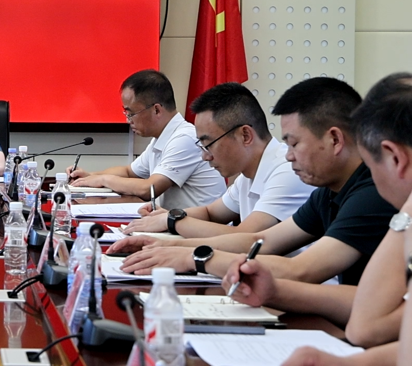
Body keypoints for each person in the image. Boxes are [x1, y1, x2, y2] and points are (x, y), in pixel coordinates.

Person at [110, 77, 396, 288]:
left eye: (295, 144)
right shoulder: (328, 191)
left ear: (334, 139)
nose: (289, 155)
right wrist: (165, 246)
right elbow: (261, 242)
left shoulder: (370, 194)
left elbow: (301, 270)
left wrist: (194, 255)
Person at [226, 73, 412, 365]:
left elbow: (366, 326)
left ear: (396, 159)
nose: (288, 156)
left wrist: (406, 214)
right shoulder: (330, 190)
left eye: (371, 162)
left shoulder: (377, 199)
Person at [123, 82, 314, 237]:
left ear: (245, 135)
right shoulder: (248, 175)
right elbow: (211, 213)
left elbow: (245, 237)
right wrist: (168, 215)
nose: (205, 156)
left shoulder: (287, 170)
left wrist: (172, 222)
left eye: (209, 144)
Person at [69, 69, 225, 209]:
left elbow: (149, 189)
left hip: (202, 228)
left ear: (156, 110)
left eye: (131, 113)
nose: (128, 120)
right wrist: (89, 176)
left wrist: (103, 180)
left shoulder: (184, 138)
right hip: (176, 224)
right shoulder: (162, 138)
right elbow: (129, 172)